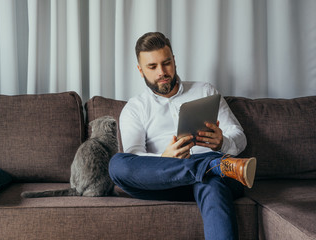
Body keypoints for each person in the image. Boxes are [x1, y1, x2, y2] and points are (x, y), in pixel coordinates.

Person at [109, 32, 257, 240]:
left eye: (166, 63)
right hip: (165, 182)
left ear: (174, 61)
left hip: (216, 181)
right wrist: (165, 160)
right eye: (152, 67)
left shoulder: (205, 90)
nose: (162, 72)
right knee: (117, 164)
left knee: (212, 184)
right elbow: (135, 157)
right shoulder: (134, 108)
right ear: (140, 70)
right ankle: (212, 166)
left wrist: (223, 142)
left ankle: (212, 167)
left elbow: (239, 136)